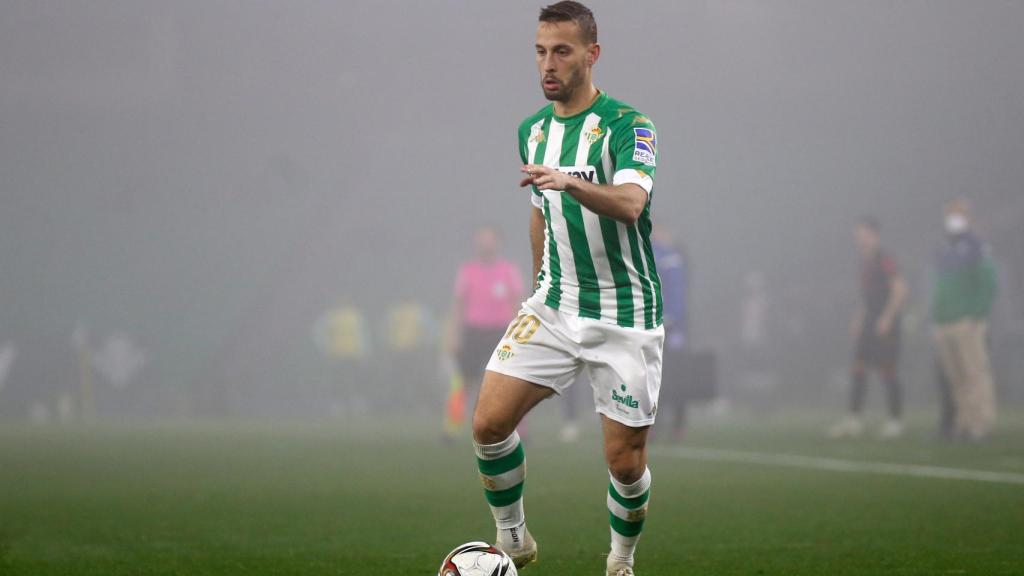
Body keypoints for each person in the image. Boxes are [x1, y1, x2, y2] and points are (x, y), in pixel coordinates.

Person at [470, 4, 664, 575]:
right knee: (488, 425)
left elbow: (631, 204)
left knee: (624, 462)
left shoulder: (630, 126)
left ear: (591, 55)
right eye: (540, 51)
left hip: (625, 312)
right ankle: (513, 539)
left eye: (561, 51)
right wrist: (539, 286)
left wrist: (570, 183)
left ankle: (621, 561)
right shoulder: (532, 131)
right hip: (555, 305)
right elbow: (540, 211)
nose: (547, 64)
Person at [829, 216, 908, 439]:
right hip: (869, 321)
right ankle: (853, 419)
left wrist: (888, 316)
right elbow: (867, 298)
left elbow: (900, 289)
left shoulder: (885, 259)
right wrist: (859, 318)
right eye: (858, 235)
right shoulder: (863, 263)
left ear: (875, 236)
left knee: (888, 370)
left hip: (885, 322)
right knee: (858, 369)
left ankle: (895, 420)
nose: (860, 240)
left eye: (864, 235)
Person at [931, 198, 998, 441]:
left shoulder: (977, 246)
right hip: (945, 322)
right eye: (950, 215)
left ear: (969, 218)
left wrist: (976, 314)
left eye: (958, 215)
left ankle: (981, 423)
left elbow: (988, 282)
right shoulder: (944, 248)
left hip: (966, 322)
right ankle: (964, 422)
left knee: (974, 373)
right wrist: (936, 318)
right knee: (956, 377)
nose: (953, 220)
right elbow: (939, 287)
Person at [446, 227, 525, 417]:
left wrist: (519, 336)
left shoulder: (508, 270)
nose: (486, 245)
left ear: (499, 243)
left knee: (507, 380)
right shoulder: (468, 271)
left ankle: (514, 424)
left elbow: (518, 304)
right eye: (482, 241)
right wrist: (453, 336)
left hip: (501, 332)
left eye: (490, 240)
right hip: (473, 331)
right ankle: (452, 423)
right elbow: (458, 306)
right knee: (464, 380)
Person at [651, 227, 690, 442]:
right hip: (654, 327)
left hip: (671, 328)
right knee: (654, 379)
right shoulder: (648, 253)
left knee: (674, 377)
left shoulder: (670, 257)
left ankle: (677, 425)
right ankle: (655, 426)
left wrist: (672, 319)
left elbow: (677, 293)